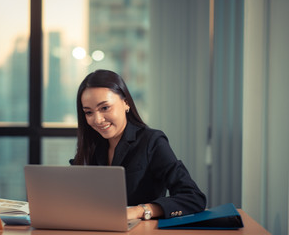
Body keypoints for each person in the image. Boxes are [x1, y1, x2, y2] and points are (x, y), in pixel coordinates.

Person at [70, 69, 206, 220]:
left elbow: (193, 197)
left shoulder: (152, 141)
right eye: (88, 112)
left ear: (126, 103)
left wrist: (140, 210)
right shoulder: (92, 145)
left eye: (105, 108)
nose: (97, 120)